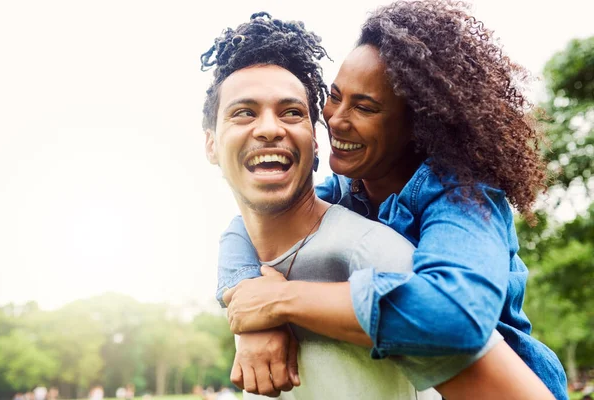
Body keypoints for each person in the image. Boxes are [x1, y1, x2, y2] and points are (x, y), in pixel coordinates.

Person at [214, 1, 568, 400]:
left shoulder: (463, 196)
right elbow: (244, 227)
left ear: (419, 124)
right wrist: (248, 308)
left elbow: (454, 316)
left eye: (365, 107)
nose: (335, 119)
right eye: (335, 97)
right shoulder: (349, 189)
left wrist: (281, 302)